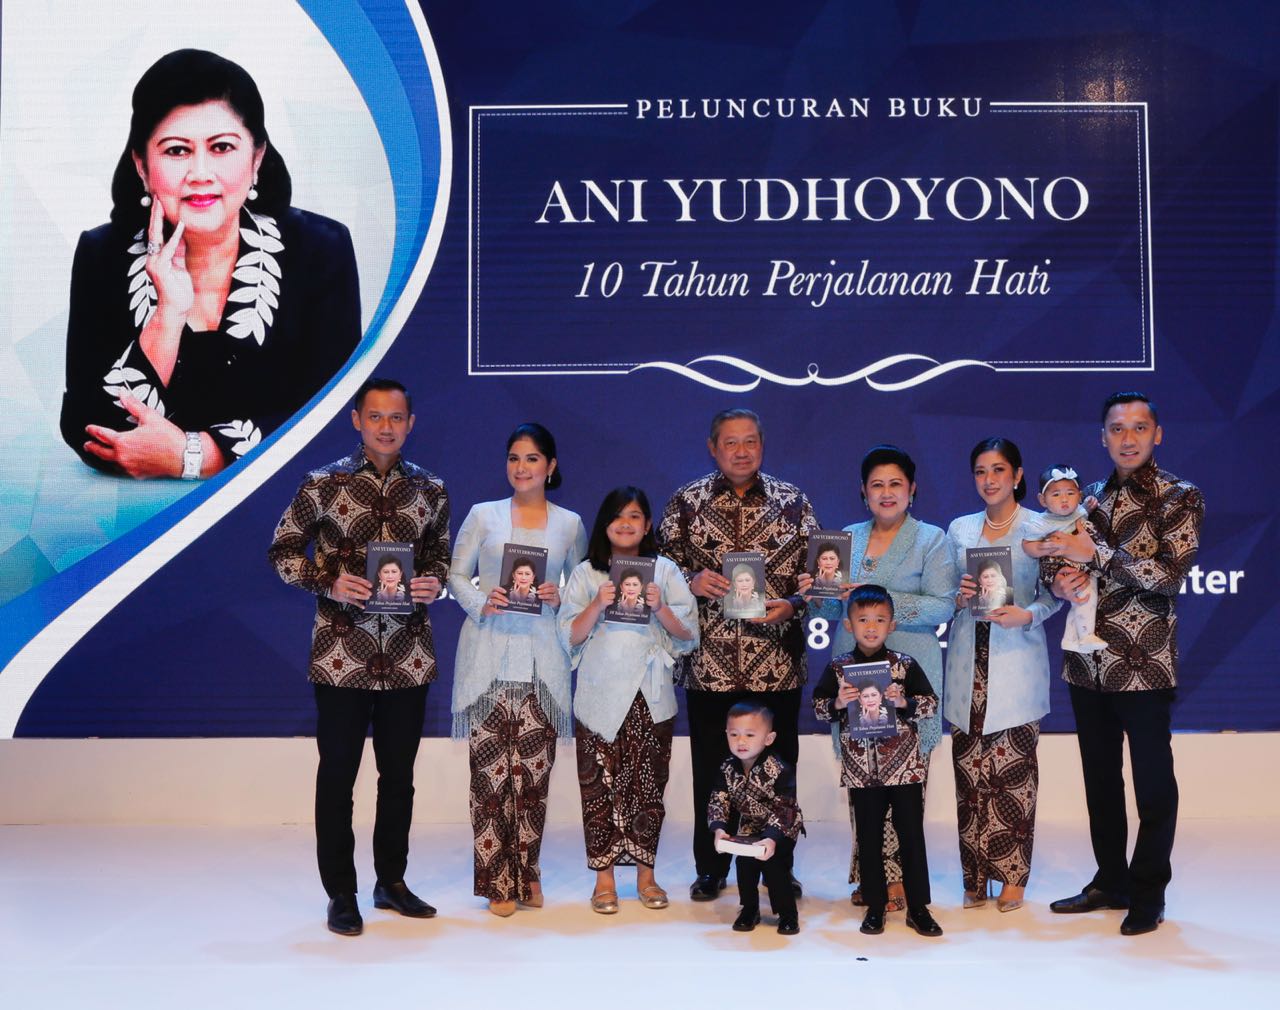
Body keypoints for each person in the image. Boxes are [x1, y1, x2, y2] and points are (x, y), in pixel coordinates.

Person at [61, 49, 360, 479]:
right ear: (142, 167)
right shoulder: (101, 255)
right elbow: (88, 429)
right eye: (177, 151)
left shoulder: (321, 249)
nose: (200, 173)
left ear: (256, 158)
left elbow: (337, 424)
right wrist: (168, 314)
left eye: (221, 147)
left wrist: (195, 456)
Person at [267, 377, 448, 936]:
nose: (385, 427)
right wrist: (329, 581)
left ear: (410, 423)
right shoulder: (323, 483)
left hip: (408, 656)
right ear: (356, 420)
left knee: (399, 778)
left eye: (396, 417)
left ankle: (391, 881)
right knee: (338, 776)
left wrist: (434, 583)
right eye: (375, 417)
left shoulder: (432, 489)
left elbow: (440, 556)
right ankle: (340, 894)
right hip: (341, 655)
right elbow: (281, 551)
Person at [1041, 393, 1203, 936]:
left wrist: (1098, 556)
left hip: (1144, 663)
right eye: (1117, 429)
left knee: (1153, 784)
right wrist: (1059, 582)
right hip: (1087, 665)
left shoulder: (1180, 496)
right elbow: (1056, 558)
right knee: (1100, 780)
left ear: (1157, 434)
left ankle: (1148, 892)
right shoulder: (1085, 498)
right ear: (1102, 437)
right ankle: (1111, 880)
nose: (1127, 438)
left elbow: (1169, 576)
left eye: (1138, 427)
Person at [658, 408, 818, 901]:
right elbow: (660, 571)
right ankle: (711, 868)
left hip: (776, 663)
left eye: (750, 441)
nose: (742, 451)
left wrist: (793, 604)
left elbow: (818, 579)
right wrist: (690, 580)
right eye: (731, 442)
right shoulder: (686, 502)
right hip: (710, 665)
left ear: (762, 445)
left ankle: (778, 867)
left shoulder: (795, 503)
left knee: (778, 773)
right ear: (713, 448)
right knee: (712, 771)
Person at [799, 445, 953, 911]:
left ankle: (900, 880)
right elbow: (834, 612)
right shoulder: (847, 537)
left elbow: (942, 605)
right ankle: (871, 875)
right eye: (877, 485)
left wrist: (878, 600)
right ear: (863, 492)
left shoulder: (931, 539)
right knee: (863, 783)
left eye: (896, 484)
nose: (887, 493)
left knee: (905, 785)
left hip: (907, 674)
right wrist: (818, 594)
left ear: (912, 489)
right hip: (856, 673)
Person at [448, 422, 587, 917]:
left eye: (531, 458)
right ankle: (496, 881)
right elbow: (455, 574)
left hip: (543, 663)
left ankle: (527, 872)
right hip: (487, 658)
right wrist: (480, 601)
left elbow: (582, 586)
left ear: (550, 466)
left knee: (532, 779)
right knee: (489, 779)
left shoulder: (569, 523)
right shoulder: (482, 515)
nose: (521, 467)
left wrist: (559, 594)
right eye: (513, 458)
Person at [559, 487, 698, 913]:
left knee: (648, 788)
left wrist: (662, 609)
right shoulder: (586, 574)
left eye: (635, 516)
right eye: (618, 516)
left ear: (648, 524)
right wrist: (596, 606)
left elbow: (688, 634)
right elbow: (568, 636)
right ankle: (603, 880)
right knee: (597, 787)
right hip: (599, 695)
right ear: (605, 524)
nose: (626, 524)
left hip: (650, 696)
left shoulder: (665, 570)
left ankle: (646, 877)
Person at [945, 437, 1062, 913]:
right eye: (980, 471)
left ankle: (1013, 877)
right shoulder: (960, 529)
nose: (989, 480)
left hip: (1016, 661)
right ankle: (974, 877)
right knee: (969, 776)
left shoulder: (1040, 527)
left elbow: (1056, 594)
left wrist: (1028, 614)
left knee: (1013, 776)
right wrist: (958, 597)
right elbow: (949, 593)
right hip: (966, 665)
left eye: (998, 470)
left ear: (1017, 475)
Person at [812, 585, 943, 937]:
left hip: (905, 769)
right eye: (863, 620)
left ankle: (919, 908)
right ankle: (874, 905)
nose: (871, 627)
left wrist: (904, 703)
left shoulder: (904, 665)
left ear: (892, 625)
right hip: (862, 771)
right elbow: (819, 708)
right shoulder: (839, 668)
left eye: (880, 620)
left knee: (911, 836)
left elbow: (930, 704)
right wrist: (838, 704)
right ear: (849, 625)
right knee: (868, 837)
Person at [708, 702, 804, 935]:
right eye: (734, 734)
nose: (741, 741)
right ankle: (749, 909)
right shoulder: (727, 768)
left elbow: (785, 807)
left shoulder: (779, 769)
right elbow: (719, 799)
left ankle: (787, 914)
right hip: (750, 825)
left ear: (768, 738)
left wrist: (771, 838)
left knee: (775, 866)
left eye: (750, 735)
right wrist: (719, 829)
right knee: (744, 864)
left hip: (781, 828)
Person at [1021, 465, 1107, 652]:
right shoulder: (1041, 522)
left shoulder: (1078, 512)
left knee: (1087, 594)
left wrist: (1088, 505)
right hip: (1057, 566)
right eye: (1056, 494)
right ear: (1042, 500)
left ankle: (1071, 638)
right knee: (1085, 594)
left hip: (1081, 563)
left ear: (1079, 495)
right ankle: (1085, 636)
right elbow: (1026, 545)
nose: (1064, 499)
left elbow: (1083, 511)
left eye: (1070, 493)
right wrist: (1040, 548)